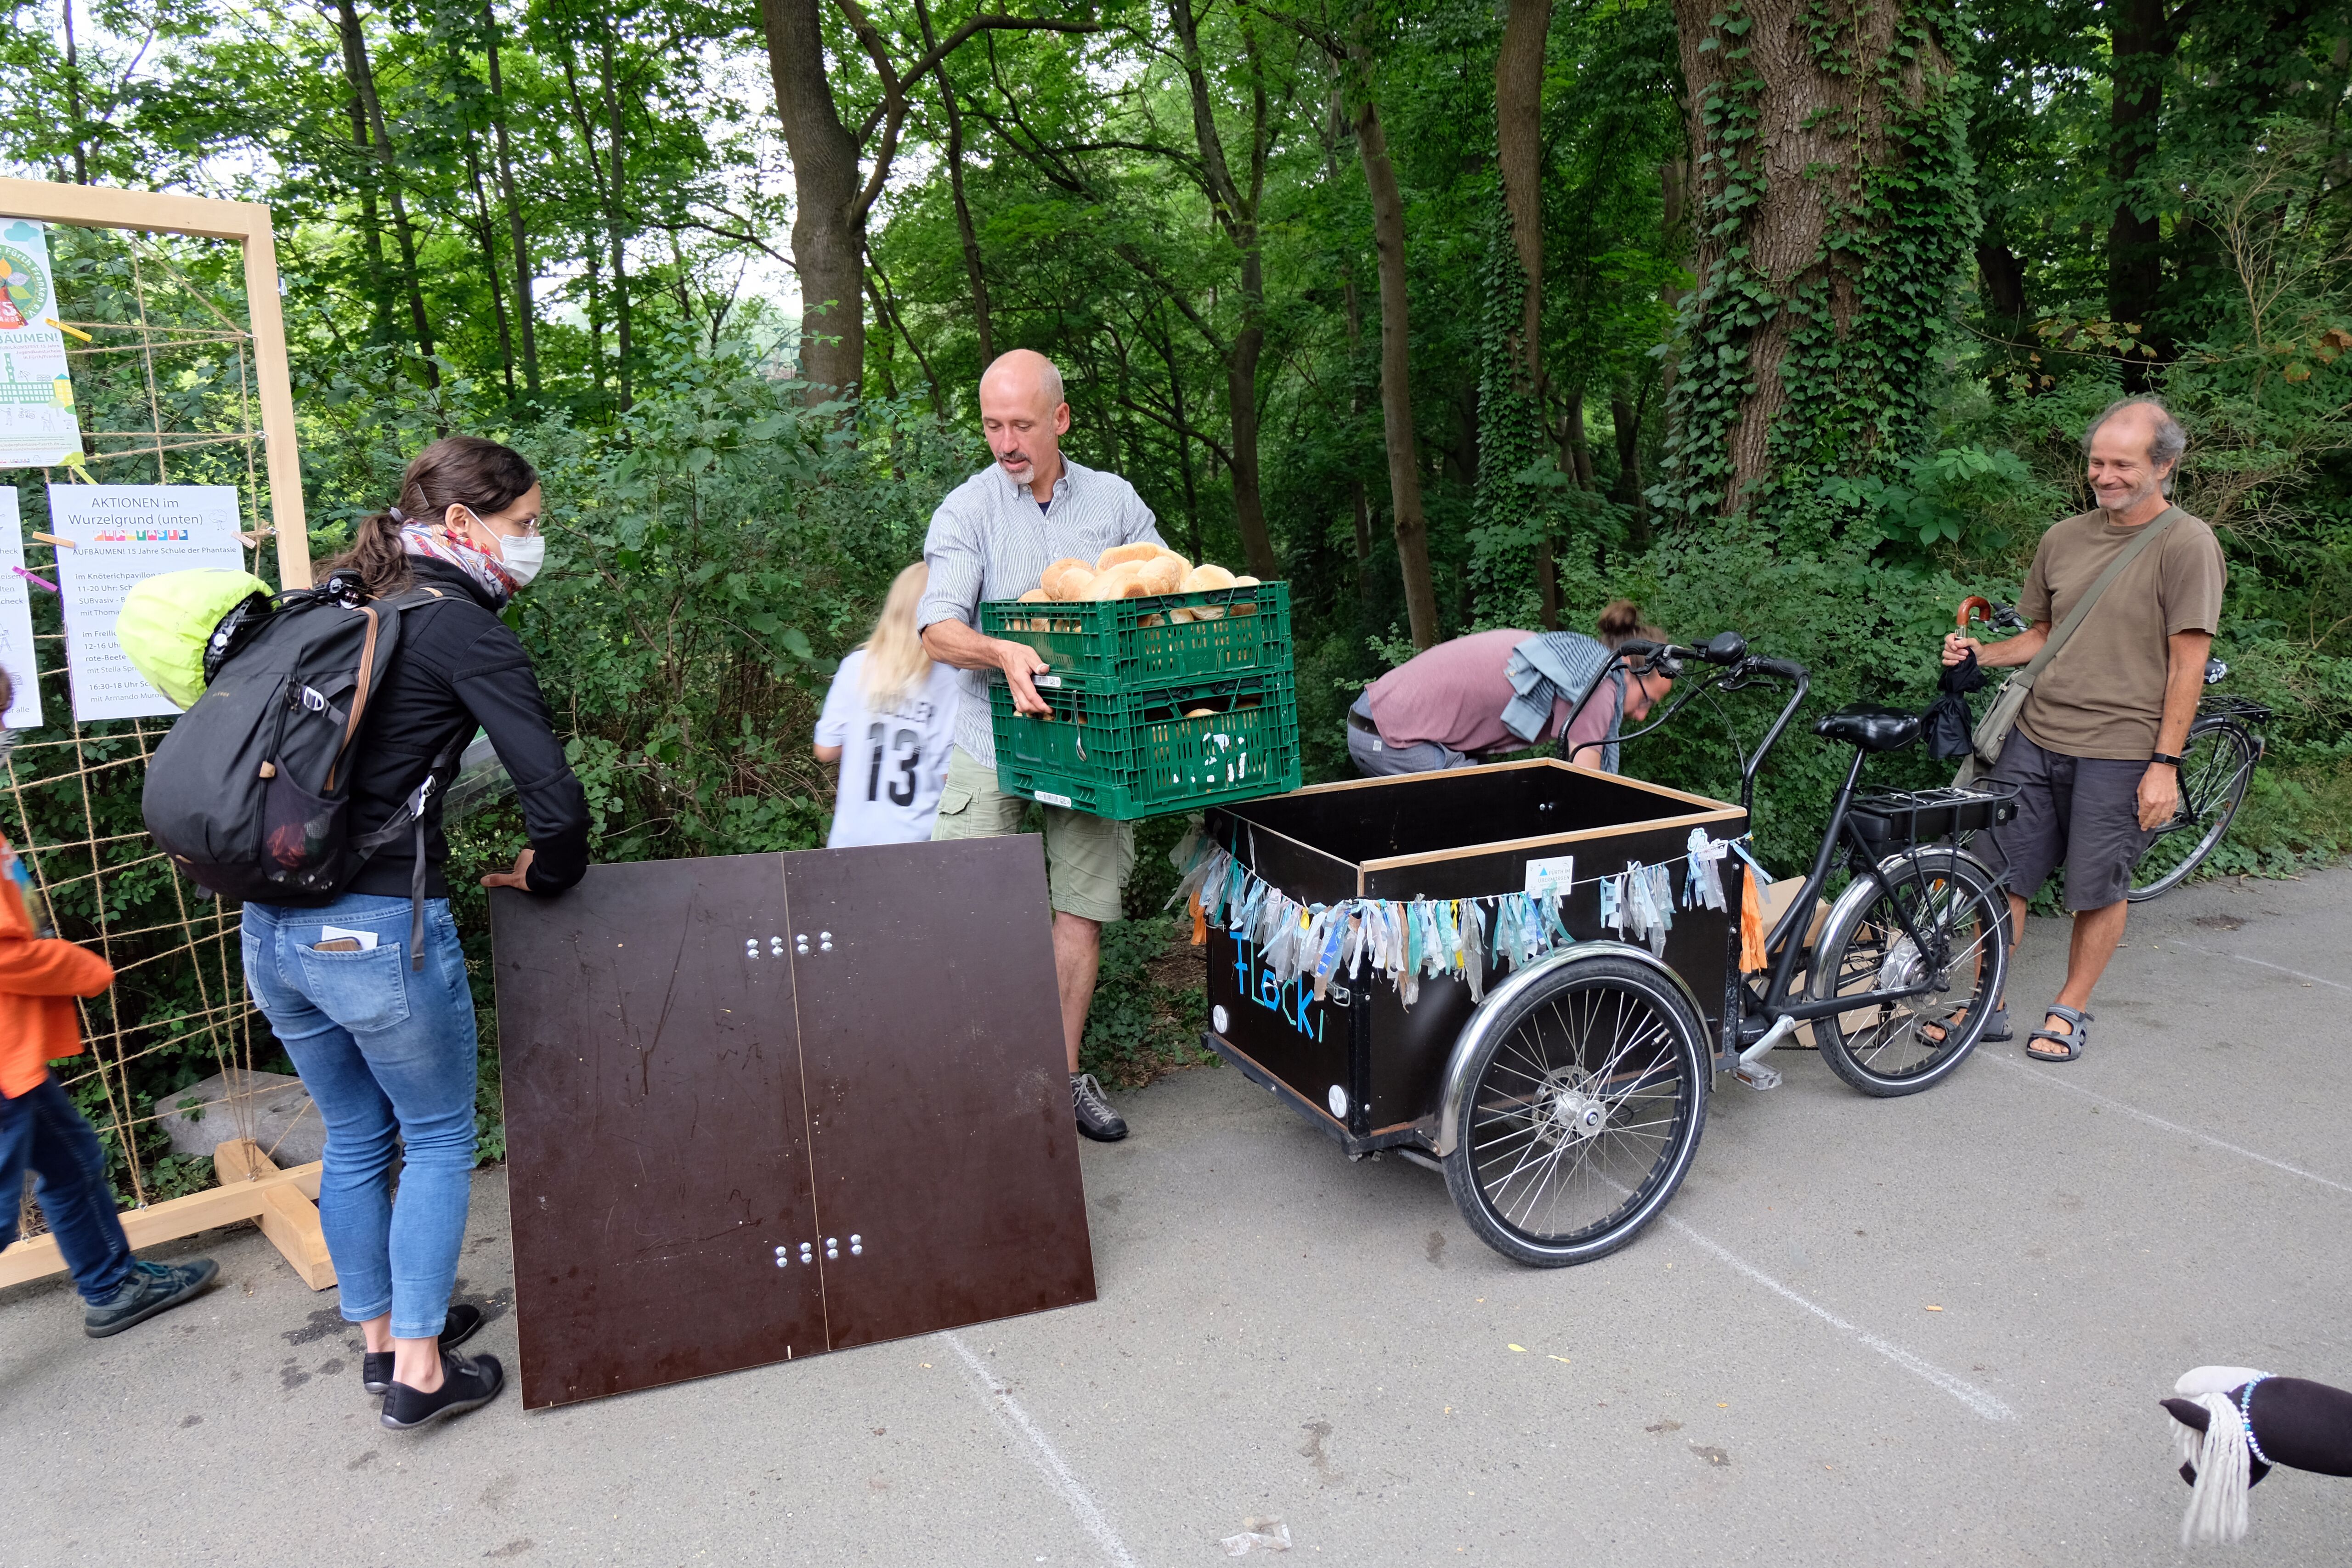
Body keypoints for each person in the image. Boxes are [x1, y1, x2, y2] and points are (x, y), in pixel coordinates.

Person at [240, 436, 590, 1428]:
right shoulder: (458, 626)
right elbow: (554, 801)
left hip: (269, 925)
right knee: (437, 1136)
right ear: (462, 523)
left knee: (356, 1134)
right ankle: (424, 1372)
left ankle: (383, 1339)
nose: (535, 540)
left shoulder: (339, 599)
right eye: (526, 524)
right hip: (374, 930)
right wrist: (547, 871)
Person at [917, 349, 1162, 1143]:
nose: (1005, 443)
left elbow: (1165, 594)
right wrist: (1001, 651)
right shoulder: (966, 509)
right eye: (992, 425)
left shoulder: (1116, 502)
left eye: (1021, 425)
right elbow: (937, 628)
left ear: (1060, 418)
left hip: (1090, 745)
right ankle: (977, 1087)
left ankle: (1059, 1080)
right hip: (990, 738)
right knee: (965, 914)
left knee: (1081, 915)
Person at [1939, 397, 2225, 1062]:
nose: (2104, 475)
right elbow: (2043, 634)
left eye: (2122, 464)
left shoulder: (2187, 544)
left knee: (2097, 888)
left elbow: (2188, 664)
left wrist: (2164, 765)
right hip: (2034, 736)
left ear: (2164, 466)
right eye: (2097, 462)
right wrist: (1980, 652)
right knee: (1998, 875)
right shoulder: (2062, 538)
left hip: (2123, 750)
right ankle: (1986, 1002)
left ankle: (2069, 1007)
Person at [0, 666, 220, 1337]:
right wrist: (80, 967)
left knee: (73, 1161)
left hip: (16, 1059)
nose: (5, 735)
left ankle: (112, 1284)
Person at [1347, 600, 1673, 776]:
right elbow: (1587, 784)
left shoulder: (1574, 658)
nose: (1642, 716)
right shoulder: (1599, 682)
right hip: (1389, 737)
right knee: (1487, 812)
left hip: (1376, 719)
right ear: (1628, 665)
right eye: (1646, 701)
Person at [814, 562, 962, 846]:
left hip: (851, 841)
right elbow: (950, 776)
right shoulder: (949, 681)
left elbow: (825, 749)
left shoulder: (856, 667)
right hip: (917, 842)